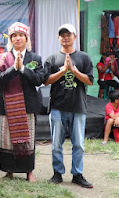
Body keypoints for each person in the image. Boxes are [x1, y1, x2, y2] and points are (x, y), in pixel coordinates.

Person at [44, 24, 94, 188]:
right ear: (58, 38)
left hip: (78, 106)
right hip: (57, 106)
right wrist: (63, 71)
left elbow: (89, 80)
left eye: (69, 34)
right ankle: (57, 173)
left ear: (75, 37)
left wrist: (73, 70)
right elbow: (46, 80)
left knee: (78, 143)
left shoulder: (84, 57)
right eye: (62, 35)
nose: (65, 37)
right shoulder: (52, 58)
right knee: (56, 144)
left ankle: (77, 174)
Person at [0, 22, 44, 182]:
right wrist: (13, 68)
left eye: (21, 35)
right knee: (7, 140)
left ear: (26, 38)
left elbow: (39, 79)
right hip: (7, 106)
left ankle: (29, 171)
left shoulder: (35, 58)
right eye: (14, 36)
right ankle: (9, 170)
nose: (17, 38)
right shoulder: (1, 58)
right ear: (11, 39)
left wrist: (23, 68)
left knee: (27, 140)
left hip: (27, 106)